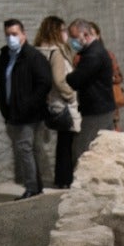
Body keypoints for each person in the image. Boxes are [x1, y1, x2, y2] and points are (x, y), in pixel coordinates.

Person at [0, 18, 51, 200]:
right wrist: (5, 108)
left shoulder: (33, 56)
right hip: (13, 111)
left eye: (14, 34)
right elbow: (2, 82)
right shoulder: (5, 55)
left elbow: (44, 83)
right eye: (8, 35)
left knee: (26, 149)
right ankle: (36, 186)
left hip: (29, 113)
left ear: (23, 34)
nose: (11, 38)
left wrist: (29, 104)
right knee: (28, 150)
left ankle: (32, 187)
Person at [33, 16, 79, 190]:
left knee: (62, 142)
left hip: (48, 101)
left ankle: (61, 178)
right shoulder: (56, 52)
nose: (65, 33)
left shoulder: (38, 50)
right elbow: (59, 80)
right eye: (63, 30)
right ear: (56, 31)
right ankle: (65, 179)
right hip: (62, 103)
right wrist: (71, 95)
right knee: (67, 143)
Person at [65, 19, 115, 161]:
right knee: (104, 148)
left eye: (74, 38)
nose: (72, 42)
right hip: (101, 107)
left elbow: (76, 80)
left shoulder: (93, 55)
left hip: (96, 110)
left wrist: (68, 76)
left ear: (85, 35)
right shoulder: (95, 51)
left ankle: (85, 182)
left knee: (83, 149)